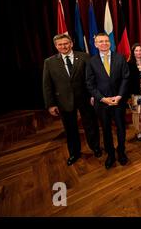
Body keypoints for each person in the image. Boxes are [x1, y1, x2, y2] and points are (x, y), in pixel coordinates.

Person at [42, 34, 101, 166]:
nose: (63, 46)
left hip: (85, 99)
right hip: (63, 101)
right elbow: (47, 85)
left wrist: (93, 95)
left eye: (66, 43)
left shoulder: (84, 56)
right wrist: (50, 104)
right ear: (56, 46)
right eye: (60, 44)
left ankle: (95, 147)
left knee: (91, 124)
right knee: (70, 128)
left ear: (71, 43)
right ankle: (74, 153)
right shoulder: (49, 62)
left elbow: (92, 78)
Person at [86, 33, 130, 169]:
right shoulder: (91, 61)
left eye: (106, 41)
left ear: (110, 43)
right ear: (96, 44)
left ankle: (121, 152)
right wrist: (102, 98)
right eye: (101, 41)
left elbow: (125, 78)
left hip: (118, 101)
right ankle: (110, 154)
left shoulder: (120, 58)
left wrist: (119, 96)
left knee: (121, 128)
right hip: (102, 103)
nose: (104, 43)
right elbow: (90, 83)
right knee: (105, 129)